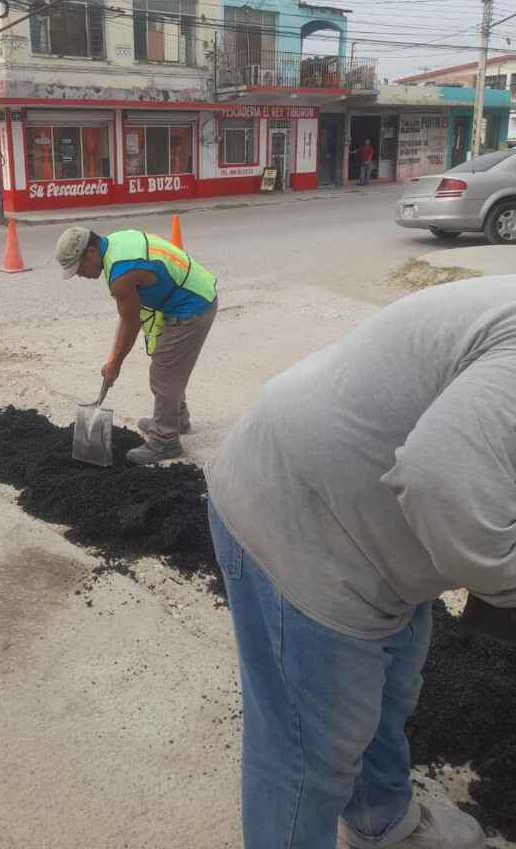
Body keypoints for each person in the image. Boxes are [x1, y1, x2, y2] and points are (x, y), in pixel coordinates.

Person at [205, 275, 516, 849]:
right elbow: (439, 477)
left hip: (374, 520)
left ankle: (383, 823)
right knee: (305, 752)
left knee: (387, 692)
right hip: (298, 514)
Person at [55, 226, 217, 465]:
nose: (79, 275)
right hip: (189, 293)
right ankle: (175, 418)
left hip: (192, 305)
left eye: (78, 268)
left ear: (91, 253)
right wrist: (113, 358)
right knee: (168, 366)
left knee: (164, 371)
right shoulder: (114, 246)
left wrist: (116, 364)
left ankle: (165, 440)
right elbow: (127, 314)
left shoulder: (121, 276)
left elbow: (132, 324)